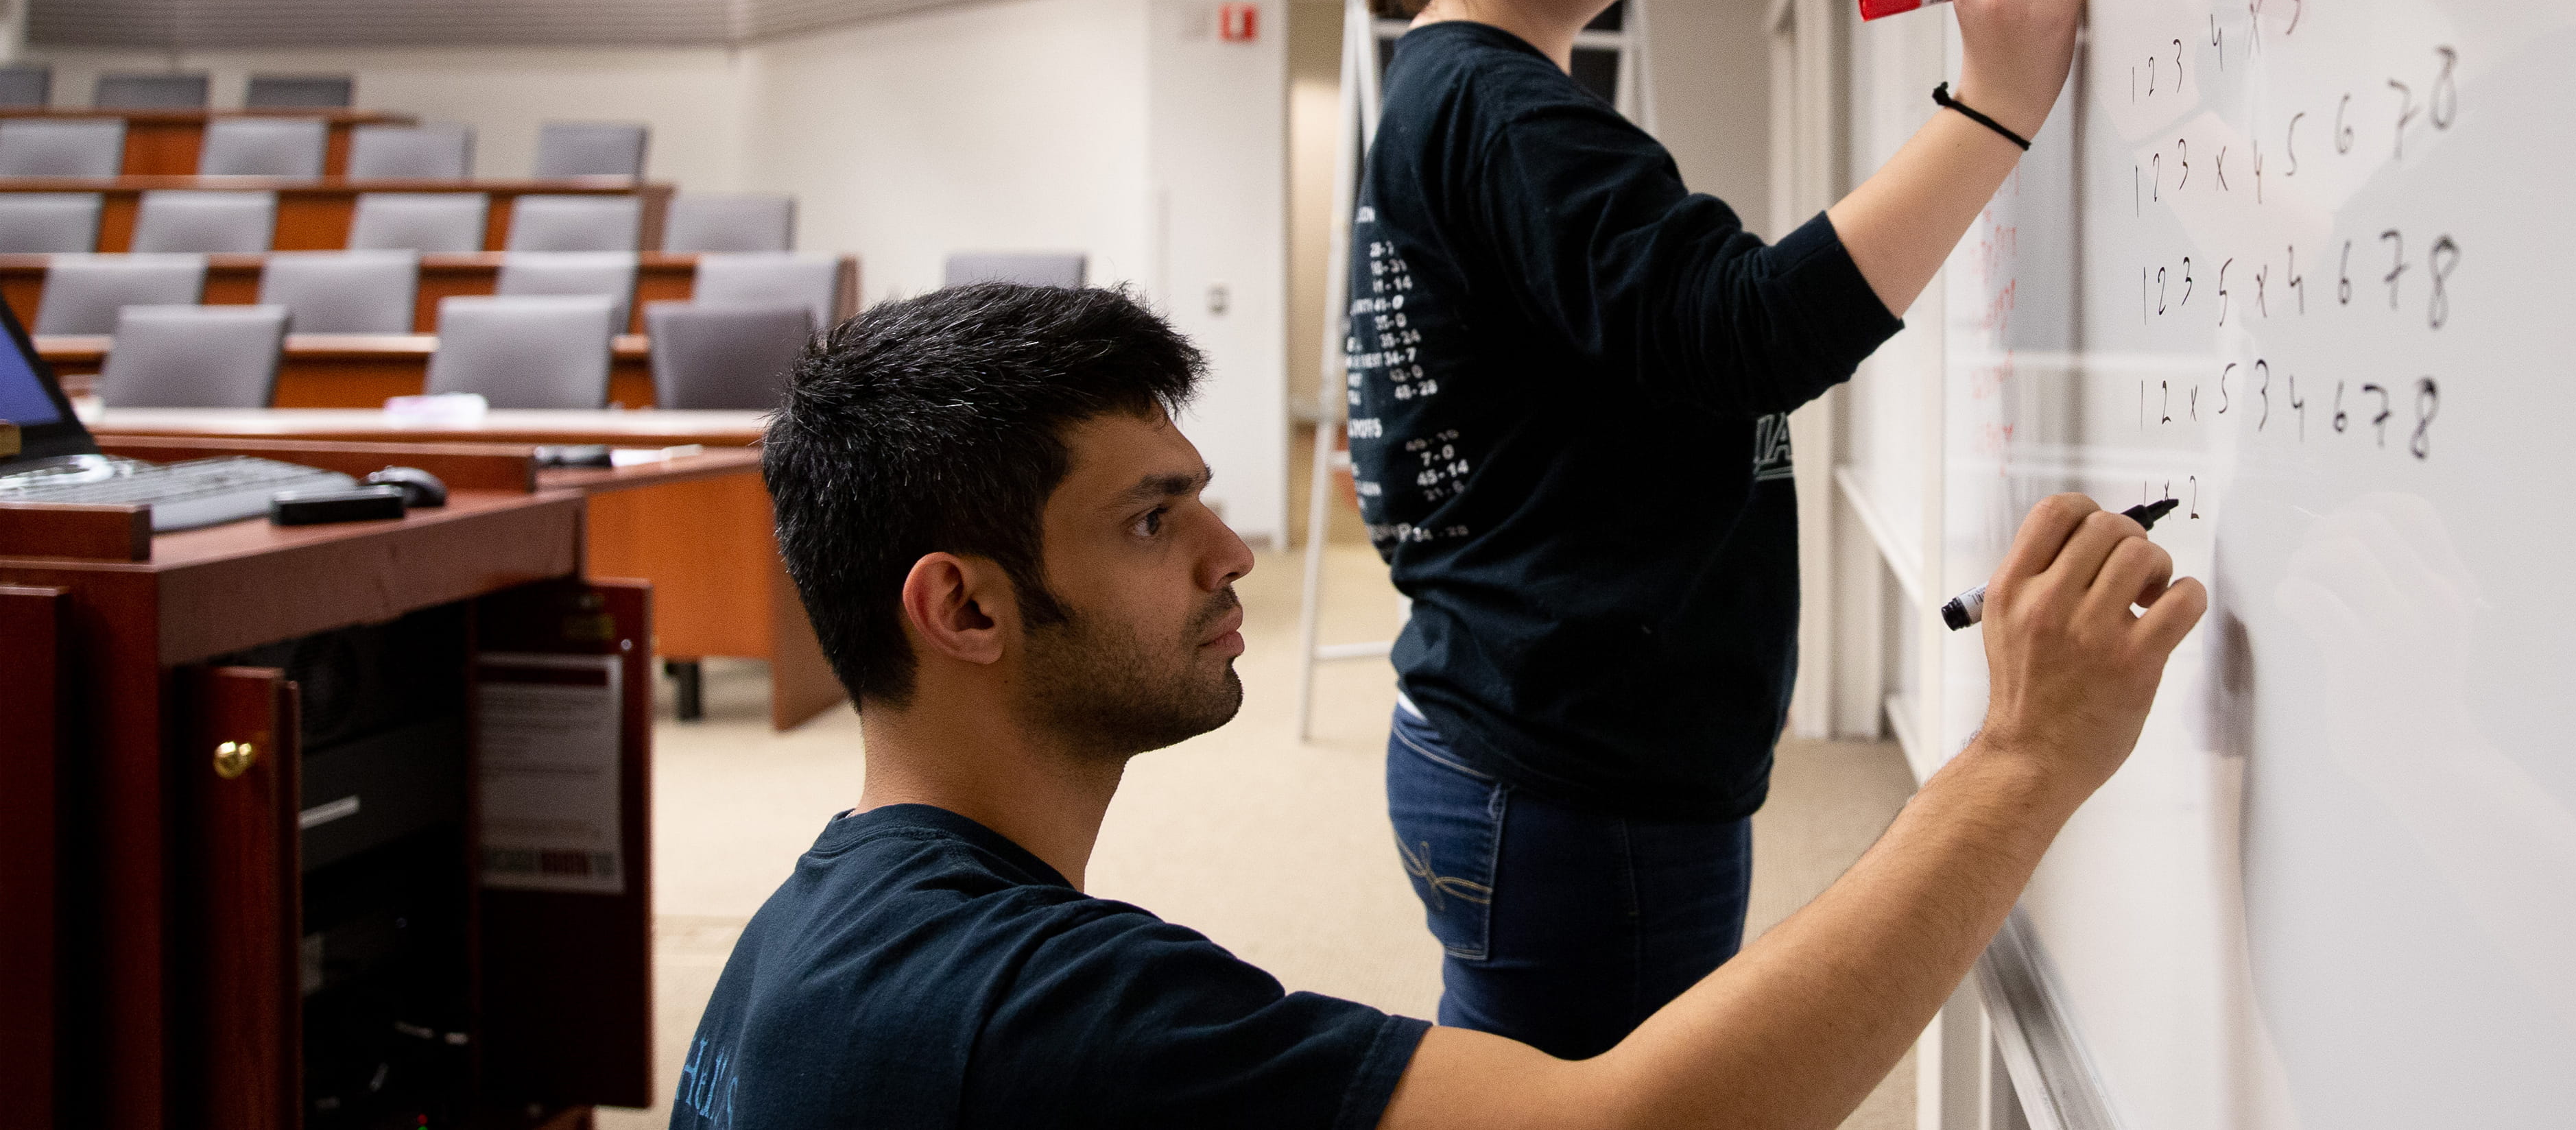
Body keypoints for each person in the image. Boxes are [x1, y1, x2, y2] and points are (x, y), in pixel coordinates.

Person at [676, 281, 2204, 1128]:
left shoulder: (817, 922)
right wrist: (2017, 758)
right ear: (963, 608)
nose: (1238, 551)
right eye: (1154, 521)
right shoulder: (1038, 1011)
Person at [1338, 0, 2085, 1057]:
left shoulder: (1456, 97)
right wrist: (1992, 107)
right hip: (1571, 772)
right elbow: (1749, 332)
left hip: (1521, 739)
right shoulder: (1501, 111)